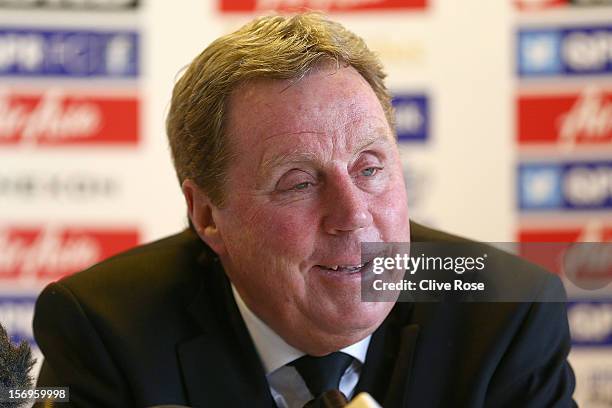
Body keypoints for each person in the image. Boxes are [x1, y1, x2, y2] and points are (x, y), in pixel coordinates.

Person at [32, 13, 576, 407]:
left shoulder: (505, 312)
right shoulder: (103, 329)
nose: (354, 215)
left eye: (369, 168)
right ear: (207, 216)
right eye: (298, 182)